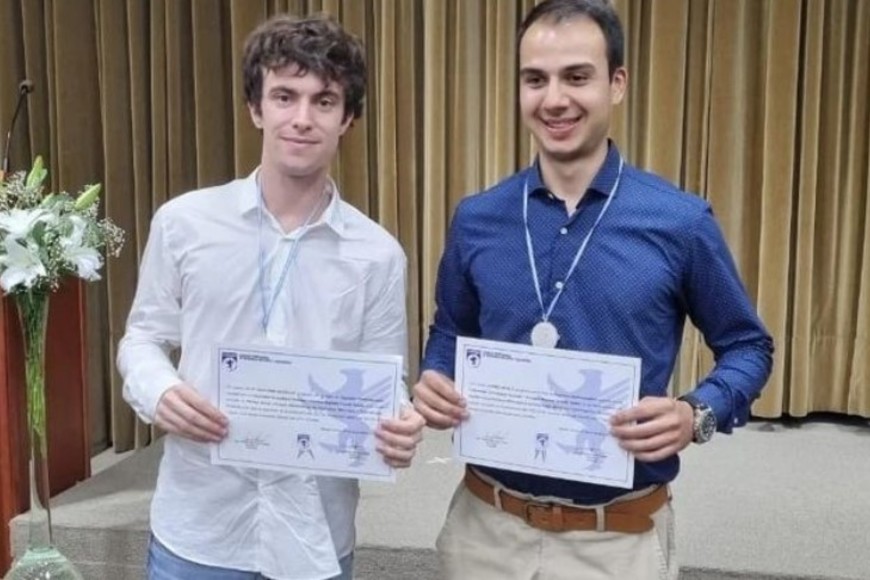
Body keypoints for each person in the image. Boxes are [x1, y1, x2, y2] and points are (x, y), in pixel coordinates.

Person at [412, 1, 774, 578]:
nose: (554, 99)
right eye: (536, 79)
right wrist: (434, 380)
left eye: (577, 77)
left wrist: (695, 414)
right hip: (484, 532)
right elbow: (449, 334)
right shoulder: (477, 218)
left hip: (617, 543)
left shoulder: (679, 221)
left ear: (617, 84)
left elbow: (749, 347)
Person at [118, 13, 425, 580]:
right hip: (200, 530)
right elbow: (143, 337)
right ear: (256, 108)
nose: (302, 119)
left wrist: (399, 423)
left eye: (324, 101)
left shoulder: (378, 254)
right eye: (285, 96)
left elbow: (386, 380)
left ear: (348, 119)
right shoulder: (184, 223)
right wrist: (158, 390)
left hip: (313, 535)